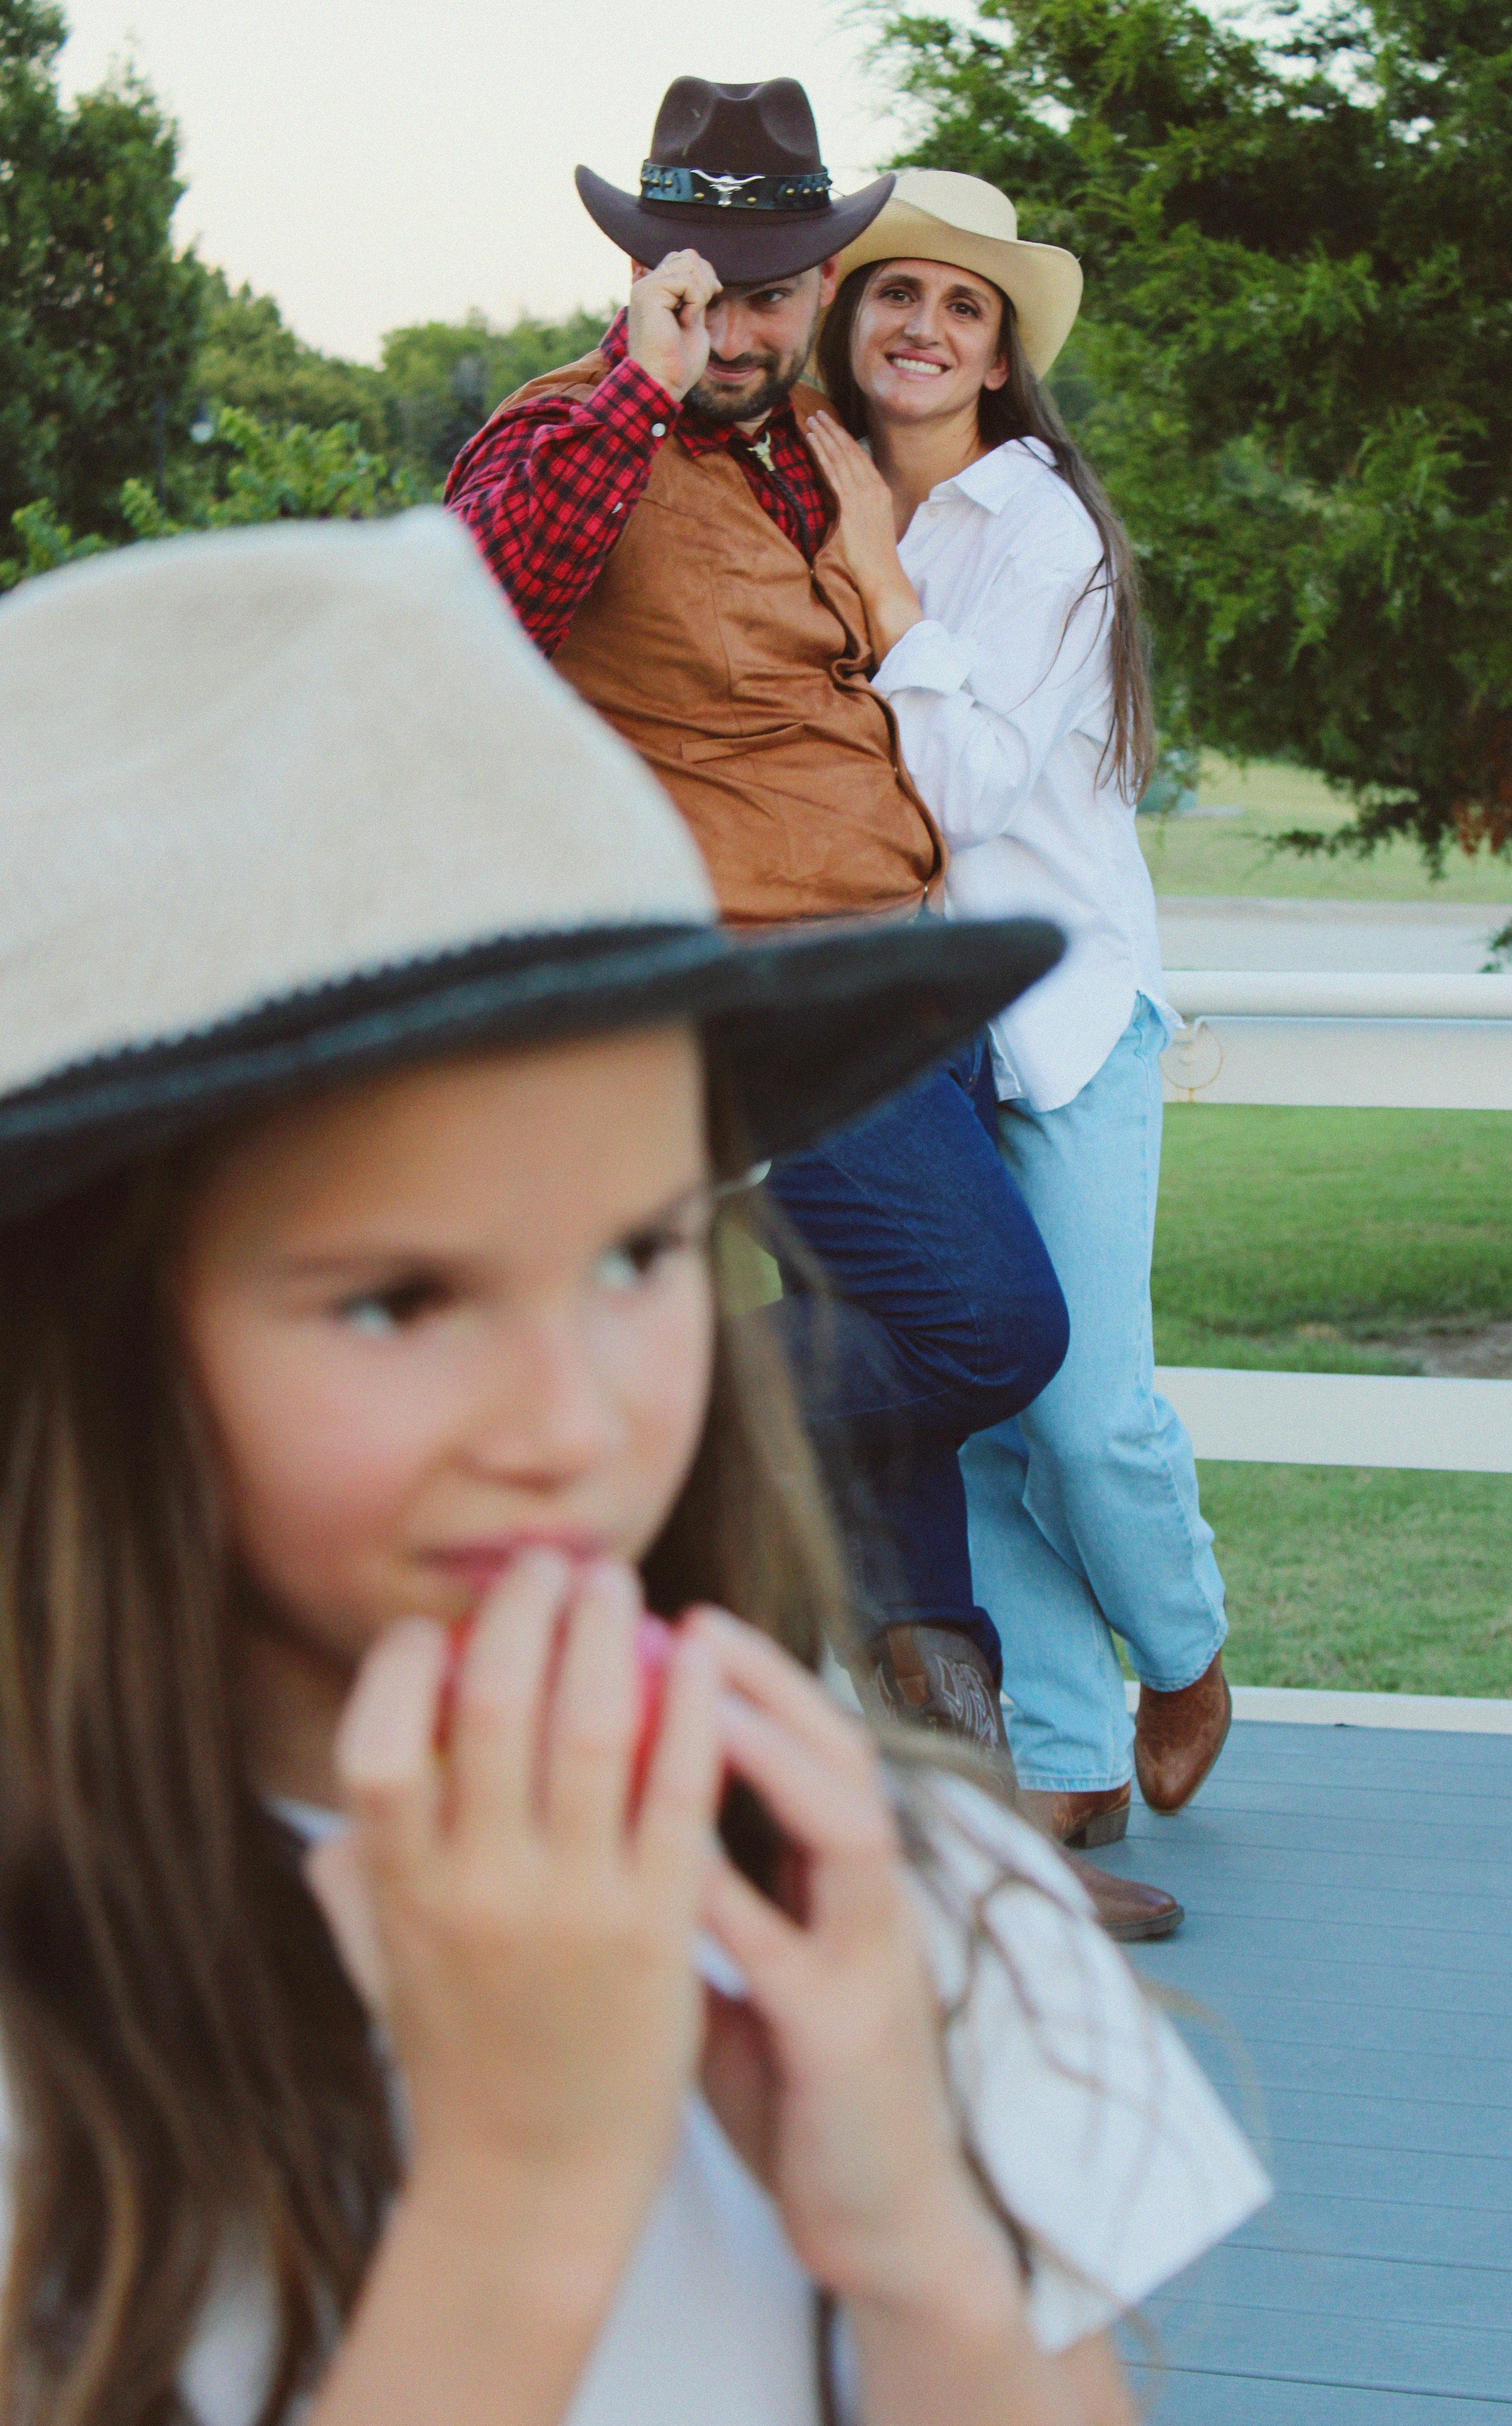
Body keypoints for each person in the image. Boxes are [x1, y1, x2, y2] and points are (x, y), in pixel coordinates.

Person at [0, 514, 1267, 2424]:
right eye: (397, 1297)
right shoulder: (52, 2026)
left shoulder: (892, 1895)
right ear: (73, 1348)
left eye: (641, 1252)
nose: (573, 1420)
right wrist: (519, 2194)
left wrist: (918, 2236)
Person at [444, 82, 1187, 1943]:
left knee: (917, 1419)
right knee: (993, 1335)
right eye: (715, 281)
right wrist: (633, 376)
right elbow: (473, 606)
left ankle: (952, 1842)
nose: (751, 322)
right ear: (644, 267)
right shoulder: (571, 433)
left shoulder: (809, 461)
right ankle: (672, 1431)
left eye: (786, 283)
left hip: (896, 984)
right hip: (758, 996)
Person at [802, 171, 1232, 1850]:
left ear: (996, 356)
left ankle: (1183, 1653)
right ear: (847, 318)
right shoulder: (799, 493)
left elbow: (970, 789)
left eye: (960, 307)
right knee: (960, 1392)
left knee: (1085, 1403)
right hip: (895, 1025)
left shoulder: (1040, 529)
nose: (920, 328)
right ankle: (1070, 1760)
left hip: (1051, 1012)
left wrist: (881, 590)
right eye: (893, 294)